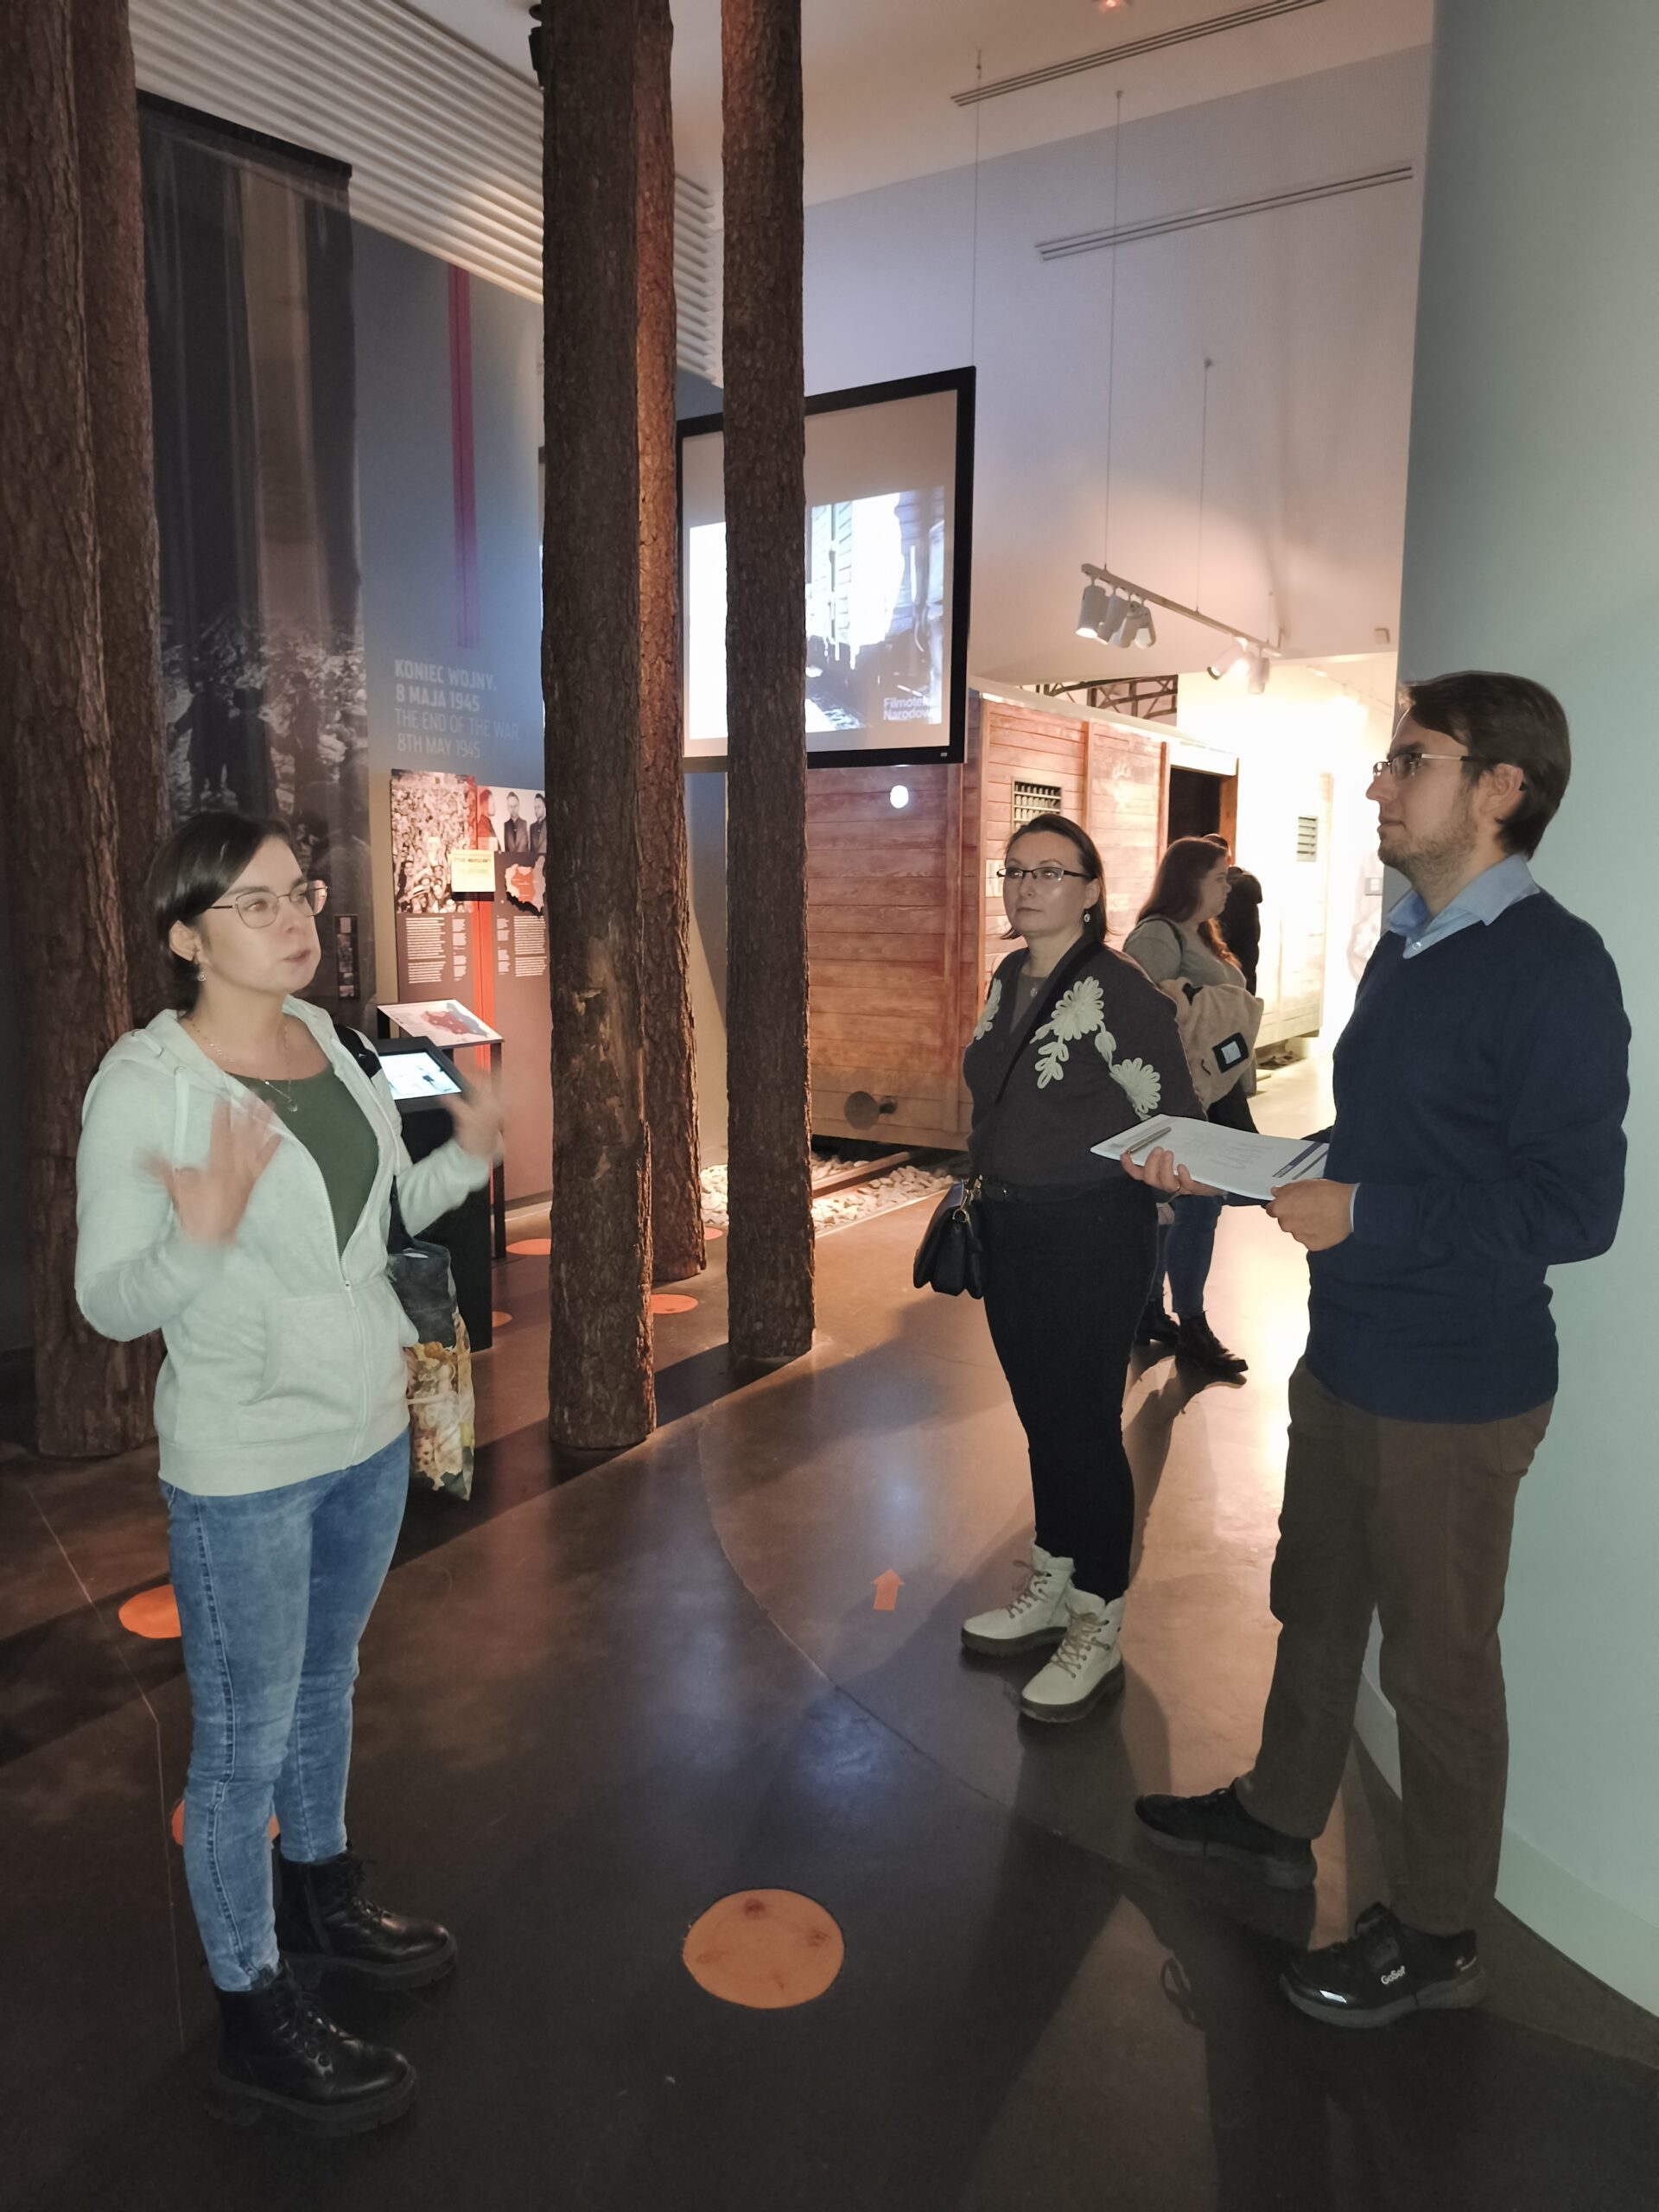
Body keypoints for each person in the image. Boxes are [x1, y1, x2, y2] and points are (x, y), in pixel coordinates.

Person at [1128, 673, 1628, 2027]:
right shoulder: (1409, 948)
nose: (1377, 783)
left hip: (1456, 1391)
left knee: (1437, 1669)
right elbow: (1379, 1148)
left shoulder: (1556, 967)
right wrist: (1235, 1167)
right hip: (1348, 1353)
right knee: (1317, 1599)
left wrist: (1367, 1213)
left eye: (1411, 759)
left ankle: (1444, 1935)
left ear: (1502, 787)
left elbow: (1575, 1209)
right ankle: (1278, 1814)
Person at [75, 812, 502, 2131]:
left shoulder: (324, 1039)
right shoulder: (146, 1085)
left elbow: (367, 1237)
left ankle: (321, 1895)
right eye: (253, 903)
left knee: (327, 1683)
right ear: (186, 937)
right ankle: (252, 2008)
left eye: (299, 892)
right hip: (246, 1460)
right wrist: (197, 1239)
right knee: (241, 1740)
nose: (294, 918)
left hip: (365, 1428)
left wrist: (467, 1162)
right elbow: (106, 1299)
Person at [958, 812, 1199, 1721]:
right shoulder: (1008, 975)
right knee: (1041, 1418)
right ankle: (1053, 1580)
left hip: (1092, 1232)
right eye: (1014, 870)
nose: (1026, 888)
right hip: (1013, 1229)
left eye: (1049, 872)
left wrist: (1159, 1170)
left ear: (1093, 890)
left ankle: (1099, 1617)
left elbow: (1172, 1113)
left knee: (1086, 1427)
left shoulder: (1118, 988)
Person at [1124, 837, 1257, 1377]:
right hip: (1183, 1099)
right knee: (1196, 1210)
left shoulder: (1200, 933)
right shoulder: (1158, 935)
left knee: (1185, 1208)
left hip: (1213, 1095)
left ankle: (1149, 1310)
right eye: (1219, 877)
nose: (1227, 888)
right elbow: (1139, 1009)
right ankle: (1193, 1326)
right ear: (1190, 881)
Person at [1203, 831, 1264, 994]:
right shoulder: (1241, 888)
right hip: (1242, 975)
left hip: (1231, 980)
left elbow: (1219, 940)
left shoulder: (1230, 892)